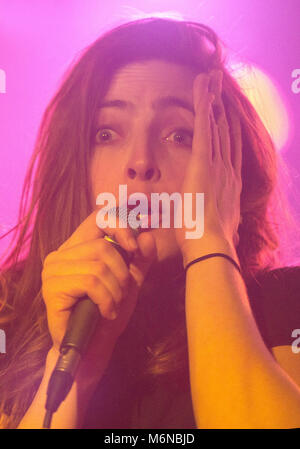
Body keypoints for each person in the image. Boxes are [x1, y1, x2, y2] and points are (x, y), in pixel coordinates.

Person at [0, 17, 300, 430]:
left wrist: (206, 239)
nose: (139, 163)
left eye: (179, 135)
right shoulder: (9, 318)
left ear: (229, 167)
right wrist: (73, 369)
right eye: (106, 133)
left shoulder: (285, 307)